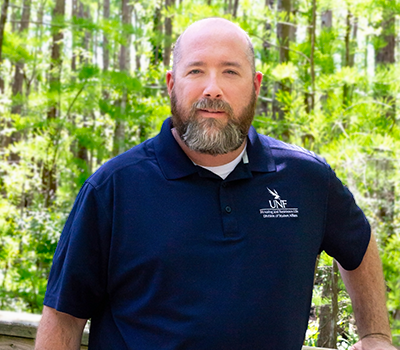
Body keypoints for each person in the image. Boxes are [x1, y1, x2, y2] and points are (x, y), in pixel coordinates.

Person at [35, 18, 395, 350]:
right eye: (196, 70)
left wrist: (376, 335)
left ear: (255, 86)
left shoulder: (307, 179)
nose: (213, 88)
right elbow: (63, 318)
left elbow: (358, 245)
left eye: (230, 72)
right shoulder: (112, 189)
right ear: (171, 84)